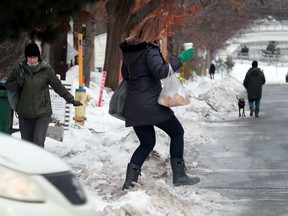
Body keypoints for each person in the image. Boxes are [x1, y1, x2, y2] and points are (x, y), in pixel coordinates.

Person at [119, 15, 200, 190]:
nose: (163, 36)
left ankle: (129, 182)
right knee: (177, 132)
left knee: (147, 143)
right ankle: (179, 175)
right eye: (162, 32)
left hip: (134, 105)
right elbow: (161, 72)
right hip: (150, 104)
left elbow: (126, 75)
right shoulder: (149, 50)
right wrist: (182, 58)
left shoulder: (130, 51)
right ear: (154, 31)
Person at [5, 42, 83, 147]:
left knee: (38, 142)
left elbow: (58, 86)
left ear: (39, 57)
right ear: (26, 58)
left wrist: (71, 99)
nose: (32, 60)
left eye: (35, 57)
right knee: (27, 146)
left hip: (42, 113)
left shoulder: (46, 70)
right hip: (25, 114)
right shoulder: (19, 70)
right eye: (30, 57)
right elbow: (8, 85)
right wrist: (17, 83)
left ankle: (38, 163)